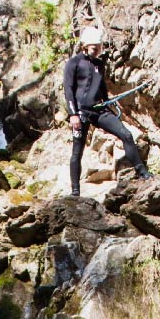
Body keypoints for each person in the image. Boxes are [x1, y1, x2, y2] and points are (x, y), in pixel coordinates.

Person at [63, 24, 150, 198]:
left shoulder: (99, 64)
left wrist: (109, 104)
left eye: (99, 48)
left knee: (126, 134)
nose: (97, 51)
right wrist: (73, 114)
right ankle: (75, 191)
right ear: (84, 46)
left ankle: (143, 173)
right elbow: (68, 89)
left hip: (99, 110)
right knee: (77, 151)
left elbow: (101, 88)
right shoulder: (73, 63)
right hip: (80, 113)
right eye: (94, 48)